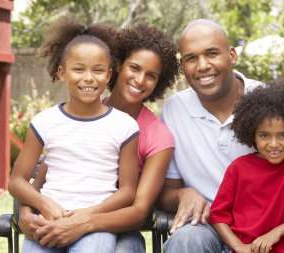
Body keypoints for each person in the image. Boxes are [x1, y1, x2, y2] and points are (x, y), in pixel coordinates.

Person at [157, 19, 284, 252]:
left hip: (282, 225)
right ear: (182, 65)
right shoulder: (174, 110)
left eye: (212, 53)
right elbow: (165, 191)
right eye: (191, 58)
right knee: (185, 241)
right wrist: (184, 194)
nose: (202, 65)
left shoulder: (271, 102)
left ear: (232, 55)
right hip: (210, 224)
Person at [17, 23, 180, 253]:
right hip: (60, 215)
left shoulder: (156, 136)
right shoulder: (81, 109)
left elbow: (138, 211)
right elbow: (47, 174)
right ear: (117, 66)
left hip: (117, 226)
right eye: (134, 68)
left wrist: (82, 223)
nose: (140, 80)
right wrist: (25, 215)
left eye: (151, 76)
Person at [8, 16, 140, 253]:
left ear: (109, 75)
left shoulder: (124, 126)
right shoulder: (43, 122)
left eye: (98, 70)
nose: (88, 78)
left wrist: (85, 216)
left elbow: (128, 191)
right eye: (78, 69)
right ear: (62, 72)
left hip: (96, 225)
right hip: (49, 220)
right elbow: (17, 181)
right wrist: (44, 204)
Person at [209, 81, 284, 253]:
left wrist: (276, 233)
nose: (273, 144)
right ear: (252, 134)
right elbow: (218, 215)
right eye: (264, 135)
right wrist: (239, 247)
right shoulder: (238, 168)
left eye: (283, 135)